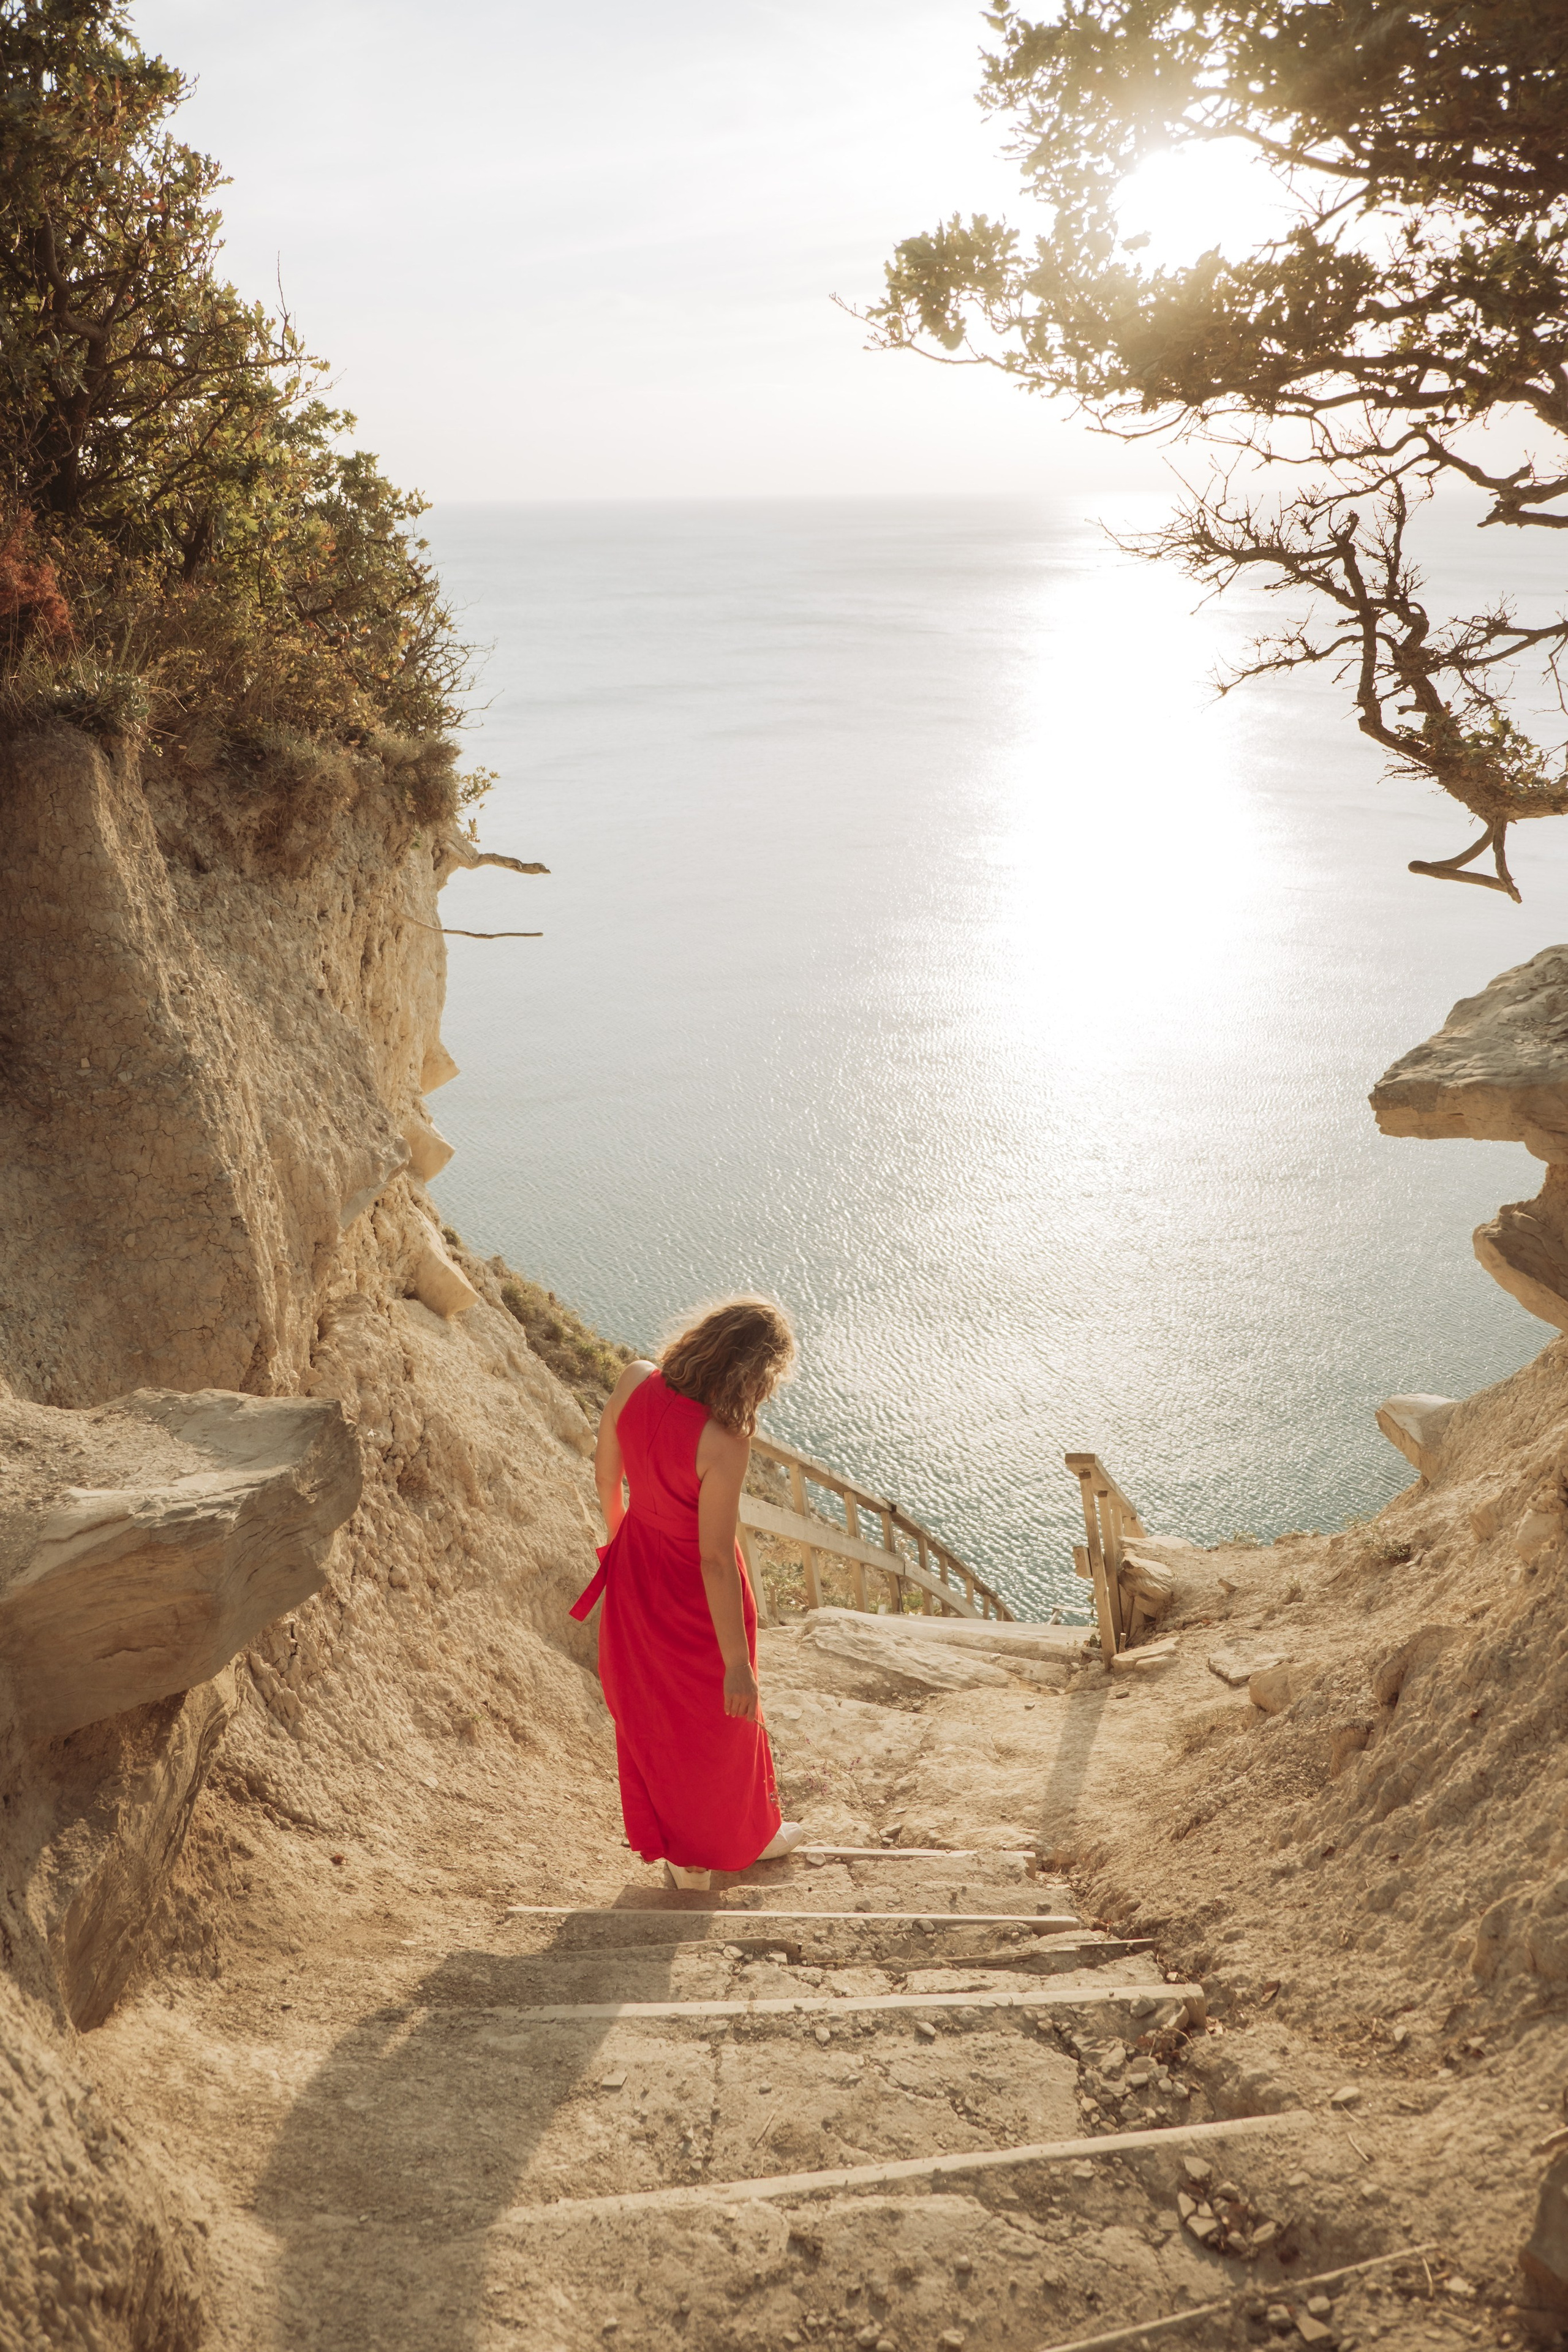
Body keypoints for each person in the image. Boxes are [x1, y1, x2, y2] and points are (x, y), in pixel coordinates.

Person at [570, 1295, 806, 1890]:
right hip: (695, 1592)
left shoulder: (635, 1379)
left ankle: (689, 1856)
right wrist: (736, 1664)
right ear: (753, 1375)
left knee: (658, 1715)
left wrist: (621, 1536)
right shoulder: (724, 1441)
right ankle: (738, 1839)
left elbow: (606, 1470)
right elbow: (713, 1559)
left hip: (636, 1565)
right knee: (725, 1721)